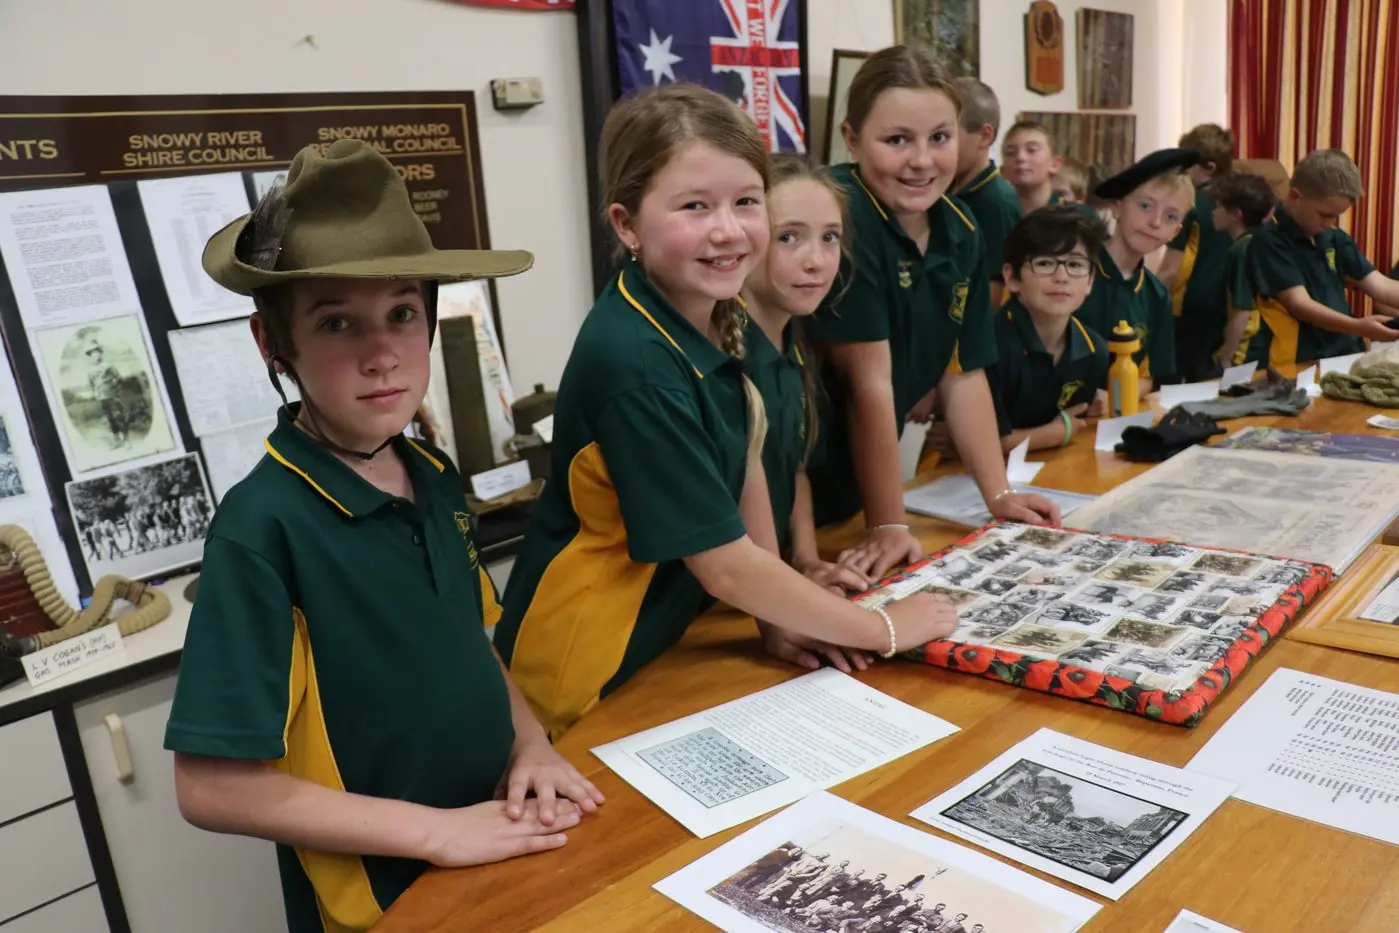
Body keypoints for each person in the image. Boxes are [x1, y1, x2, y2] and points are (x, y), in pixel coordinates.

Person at [162, 139, 606, 933]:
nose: (380, 353)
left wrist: (529, 744)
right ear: (274, 347)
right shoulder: (262, 528)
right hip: (388, 900)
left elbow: (473, 637)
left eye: (402, 312)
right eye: (336, 322)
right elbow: (212, 786)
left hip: (503, 841)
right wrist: (438, 832)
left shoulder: (429, 470)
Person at [493, 83, 958, 737]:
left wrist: (779, 619)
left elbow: (744, 469)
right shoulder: (636, 359)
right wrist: (880, 626)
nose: (727, 229)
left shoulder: (714, 309)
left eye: (745, 202)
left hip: (664, 641)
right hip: (581, 671)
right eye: (693, 206)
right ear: (626, 224)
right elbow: (725, 564)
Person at [804, 46, 1059, 581]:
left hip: (856, 484)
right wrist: (888, 522)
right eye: (897, 140)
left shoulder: (960, 227)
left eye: (939, 138)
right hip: (797, 477)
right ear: (851, 139)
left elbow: (962, 372)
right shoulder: (841, 216)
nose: (922, 160)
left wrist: (998, 493)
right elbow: (866, 384)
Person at [740, 156, 873, 609]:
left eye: (830, 238)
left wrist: (808, 559)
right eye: (789, 237)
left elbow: (793, 466)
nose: (816, 261)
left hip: (765, 583)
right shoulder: (725, 350)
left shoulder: (794, 338)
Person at [1245, 148, 1399, 367]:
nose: (1331, 223)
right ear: (1295, 197)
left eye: (1337, 216)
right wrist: (1360, 326)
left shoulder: (1333, 237)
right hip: (1299, 363)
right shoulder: (1269, 241)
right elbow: (1300, 304)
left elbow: (1380, 285)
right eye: (1325, 215)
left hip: (1347, 355)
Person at [1074, 148, 1198, 396]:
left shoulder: (1157, 296)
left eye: (1170, 216)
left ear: (1174, 233)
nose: (1155, 222)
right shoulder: (1074, 272)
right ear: (1117, 207)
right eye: (1145, 206)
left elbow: (1151, 378)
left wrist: (1115, 397)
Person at [989, 206, 1111, 452]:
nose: (1061, 276)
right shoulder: (989, 344)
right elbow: (982, 442)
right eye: (1044, 263)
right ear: (1011, 278)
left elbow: (1078, 422)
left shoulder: (1093, 348)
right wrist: (1054, 433)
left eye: (1075, 265)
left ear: (1090, 281)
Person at [1158, 124, 1239, 380]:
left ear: (1209, 168)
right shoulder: (1242, 201)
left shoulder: (1190, 204)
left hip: (1190, 311)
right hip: (1229, 309)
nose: (1179, 171)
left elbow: (1170, 271)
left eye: (1185, 164)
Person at [950, 76, 1021, 307]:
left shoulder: (998, 203)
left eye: (946, 136)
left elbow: (994, 295)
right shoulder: (945, 187)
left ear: (984, 136)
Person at [1208, 171, 1277, 367]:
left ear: (1235, 214)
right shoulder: (1259, 243)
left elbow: (1241, 311)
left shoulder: (1240, 252)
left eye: (1219, 206)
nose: (1213, 211)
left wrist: (1226, 354)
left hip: (1244, 352)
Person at [1001, 120, 1064, 216]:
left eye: (1032, 150)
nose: (1020, 158)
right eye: (1011, 152)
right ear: (1003, 169)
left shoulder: (1077, 217)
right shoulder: (995, 215)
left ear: (1054, 164)